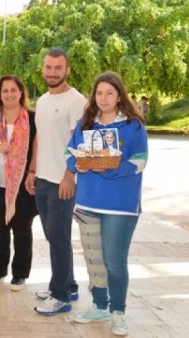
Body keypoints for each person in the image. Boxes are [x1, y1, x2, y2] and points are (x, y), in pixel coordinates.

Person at [66, 71, 148, 336]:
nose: (103, 98)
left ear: (119, 96)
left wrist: (110, 168)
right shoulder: (85, 125)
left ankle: (118, 312)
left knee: (114, 262)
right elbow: (69, 153)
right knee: (94, 260)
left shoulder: (134, 126)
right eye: (99, 93)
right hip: (88, 203)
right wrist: (76, 164)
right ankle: (100, 306)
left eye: (110, 93)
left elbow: (140, 161)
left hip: (120, 206)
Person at [25, 48, 87, 316]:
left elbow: (78, 143)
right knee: (54, 237)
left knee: (59, 239)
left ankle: (60, 296)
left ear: (67, 70)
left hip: (62, 181)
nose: (52, 73)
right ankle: (69, 285)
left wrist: (69, 176)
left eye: (58, 68)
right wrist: (32, 170)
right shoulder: (42, 101)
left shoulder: (77, 101)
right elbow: (39, 138)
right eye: (48, 67)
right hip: (43, 179)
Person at [0, 75, 38, 291]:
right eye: (5, 91)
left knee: (22, 230)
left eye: (13, 90)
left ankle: (20, 274)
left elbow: (39, 150)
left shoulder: (33, 119)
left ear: (21, 92)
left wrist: (33, 172)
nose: (9, 94)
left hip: (23, 185)